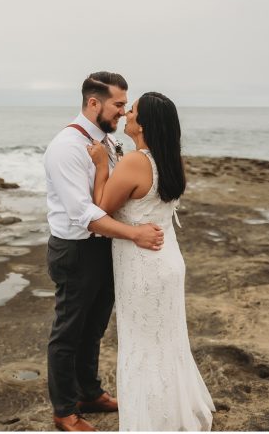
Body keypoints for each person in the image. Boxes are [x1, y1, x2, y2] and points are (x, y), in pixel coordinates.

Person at [43, 72, 164, 432]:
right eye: (118, 105)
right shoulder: (66, 147)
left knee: (93, 328)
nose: (123, 112)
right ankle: (64, 411)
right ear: (93, 102)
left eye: (126, 105)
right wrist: (135, 234)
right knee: (68, 332)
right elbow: (84, 215)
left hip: (104, 248)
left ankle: (89, 393)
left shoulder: (107, 142)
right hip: (75, 250)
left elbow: (109, 195)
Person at [87, 91, 215, 431]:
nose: (127, 114)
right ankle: (173, 413)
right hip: (168, 260)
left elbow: (100, 209)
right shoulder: (171, 160)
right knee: (167, 343)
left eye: (133, 110)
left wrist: (100, 167)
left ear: (143, 125)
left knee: (143, 345)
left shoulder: (135, 162)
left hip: (143, 267)